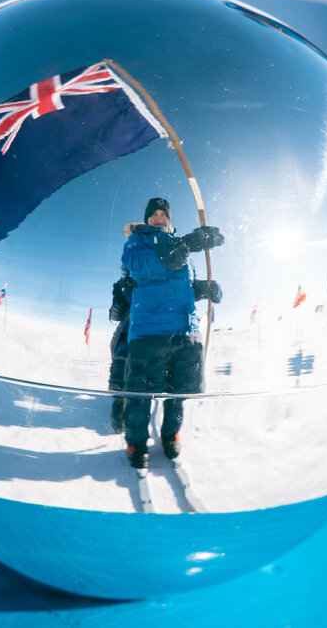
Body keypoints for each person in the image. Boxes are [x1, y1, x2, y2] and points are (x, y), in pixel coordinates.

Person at [121, 197, 224, 469]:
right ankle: (137, 441)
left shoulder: (179, 246)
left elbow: (181, 282)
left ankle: (171, 434)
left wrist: (202, 289)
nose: (159, 217)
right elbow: (143, 267)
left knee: (178, 393)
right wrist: (188, 244)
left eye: (163, 214)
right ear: (146, 219)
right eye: (153, 214)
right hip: (149, 332)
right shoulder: (138, 241)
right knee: (140, 395)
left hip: (186, 331)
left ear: (169, 218)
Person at [107, 270, 134, 433]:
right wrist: (117, 299)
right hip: (126, 334)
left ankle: (135, 413)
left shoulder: (154, 280)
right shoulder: (127, 286)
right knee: (120, 361)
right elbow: (115, 315)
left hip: (146, 334)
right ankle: (118, 415)